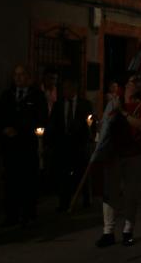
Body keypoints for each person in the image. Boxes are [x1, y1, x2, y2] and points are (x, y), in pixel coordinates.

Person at [96, 73, 141, 248]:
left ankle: (128, 231)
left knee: (131, 195)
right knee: (110, 193)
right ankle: (108, 232)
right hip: (114, 154)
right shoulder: (114, 102)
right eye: (134, 81)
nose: (137, 85)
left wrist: (123, 113)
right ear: (126, 85)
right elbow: (105, 124)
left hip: (135, 155)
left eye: (139, 82)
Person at [0, 65, 47, 226]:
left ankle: (28, 214)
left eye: (22, 75)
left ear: (29, 77)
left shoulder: (37, 96)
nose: (18, 78)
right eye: (16, 75)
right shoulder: (7, 95)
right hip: (10, 146)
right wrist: (5, 128)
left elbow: (41, 119)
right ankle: (11, 214)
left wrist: (21, 129)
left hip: (27, 145)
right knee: (11, 181)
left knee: (27, 181)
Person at [48, 78, 93, 212]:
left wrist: (87, 132)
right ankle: (64, 202)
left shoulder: (85, 104)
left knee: (81, 171)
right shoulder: (58, 105)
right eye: (64, 89)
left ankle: (86, 199)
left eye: (68, 88)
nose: (65, 91)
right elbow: (53, 123)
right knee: (63, 174)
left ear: (74, 90)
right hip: (63, 145)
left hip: (79, 144)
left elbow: (90, 122)